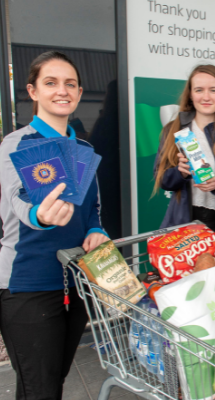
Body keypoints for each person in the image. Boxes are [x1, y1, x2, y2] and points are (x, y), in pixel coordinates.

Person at [0, 51, 109, 399]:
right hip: (28, 285)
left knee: (48, 384)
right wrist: (40, 216)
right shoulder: (16, 144)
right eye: (51, 83)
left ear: (78, 93)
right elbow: (19, 200)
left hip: (74, 281)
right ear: (33, 91)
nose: (62, 91)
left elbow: (93, 210)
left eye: (70, 84)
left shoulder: (84, 147)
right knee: (41, 389)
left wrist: (96, 230)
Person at [153, 64, 215, 248]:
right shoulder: (173, 131)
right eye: (199, 90)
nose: (206, 97)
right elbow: (162, 179)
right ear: (191, 94)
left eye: (213, 90)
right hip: (182, 226)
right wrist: (180, 173)